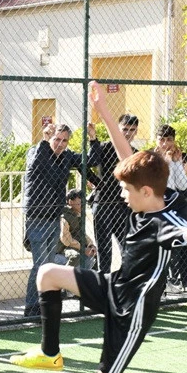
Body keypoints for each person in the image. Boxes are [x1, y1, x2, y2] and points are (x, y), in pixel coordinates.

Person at [23, 92, 187, 373]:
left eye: (129, 191)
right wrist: (104, 111)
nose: (124, 195)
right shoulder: (145, 196)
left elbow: (184, 229)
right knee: (47, 273)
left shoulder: (165, 222)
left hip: (131, 315)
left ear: (147, 192)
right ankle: (50, 352)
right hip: (113, 287)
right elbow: (123, 150)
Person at [22, 121, 97, 318]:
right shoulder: (36, 151)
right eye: (57, 139)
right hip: (37, 218)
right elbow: (36, 163)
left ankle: (42, 306)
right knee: (40, 265)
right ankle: (31, 308)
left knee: (48, 267)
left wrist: (93, 138)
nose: (60, 144)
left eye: (64, 140)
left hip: (54, 218)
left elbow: (91, 160)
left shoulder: (66, 157)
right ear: (50, 137)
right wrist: (45, 140)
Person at [88, 113, 138, 273]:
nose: (128, 133)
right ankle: (104, 282)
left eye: (132, 129)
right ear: (118, 129)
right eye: (125, 129)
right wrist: (98, 183)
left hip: (124, 205)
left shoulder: (135, 153)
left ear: (136, 132)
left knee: (127, 244)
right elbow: (86, 164)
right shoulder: (105, 147)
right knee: (104, 247)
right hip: (103, 203)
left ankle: (127, 280)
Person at [168, 152, 187, 292]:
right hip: (175, 224)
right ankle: (173, 280)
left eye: (183, 164)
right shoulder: (172, 183)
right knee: (174, 253)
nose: (181, 167)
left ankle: (186, 281)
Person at [55, 189, 96, 268]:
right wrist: (83, 249)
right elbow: (66, 240)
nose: (82, 205)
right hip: (62, 250)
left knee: (93, 254)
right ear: (70, 202)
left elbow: (82, 233)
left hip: (75, 246)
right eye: (80, 203)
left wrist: (91, 245)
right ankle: (67, 277)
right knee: (76, 256)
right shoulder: (65, 216)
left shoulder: (79, 214)